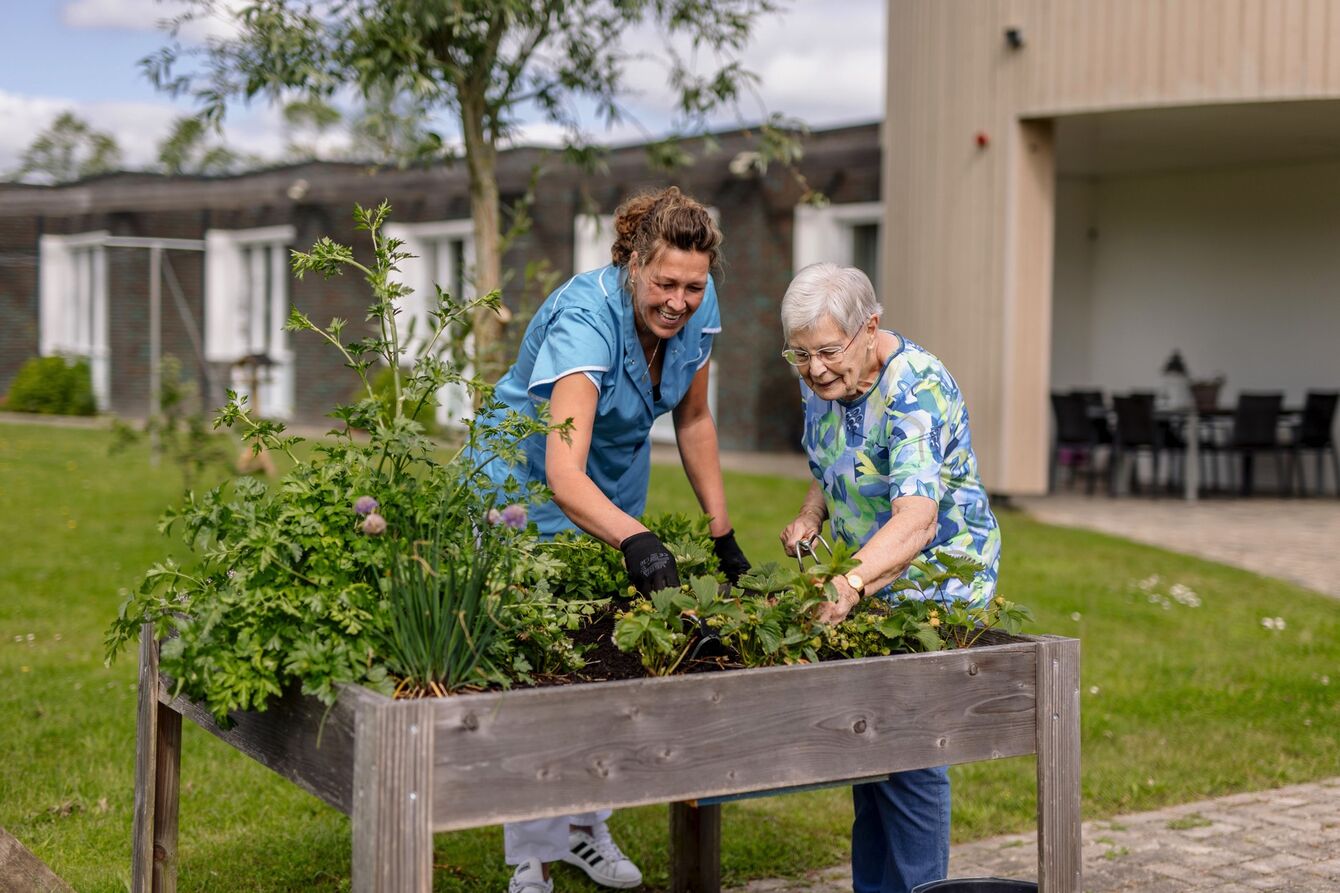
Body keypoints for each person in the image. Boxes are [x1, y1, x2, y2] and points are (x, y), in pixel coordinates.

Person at [472, 186, 752, 893]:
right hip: (526, 488)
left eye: (693, 285)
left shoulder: (697, 305)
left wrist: (723, 534)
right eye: (665, 283)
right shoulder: (584, 318)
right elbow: (564, 471)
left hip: (615, 484)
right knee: (542, 666)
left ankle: (586, 829)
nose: (680, 300)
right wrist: (639, 542)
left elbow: (692, 418)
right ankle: (530, 854)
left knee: (607, 654)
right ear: (631, 262)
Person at [776, 262, 1000, 893]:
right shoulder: (824, 379)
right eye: (799, 355)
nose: (814, 368)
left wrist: (847, 585)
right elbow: (834, 463)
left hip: (933, 580)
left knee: (908, 749)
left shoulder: (915, 387)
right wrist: (808, 514)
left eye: (825, 351)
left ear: (869, 328)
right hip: (868, 576)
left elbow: (918, 519)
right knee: (871, 753)